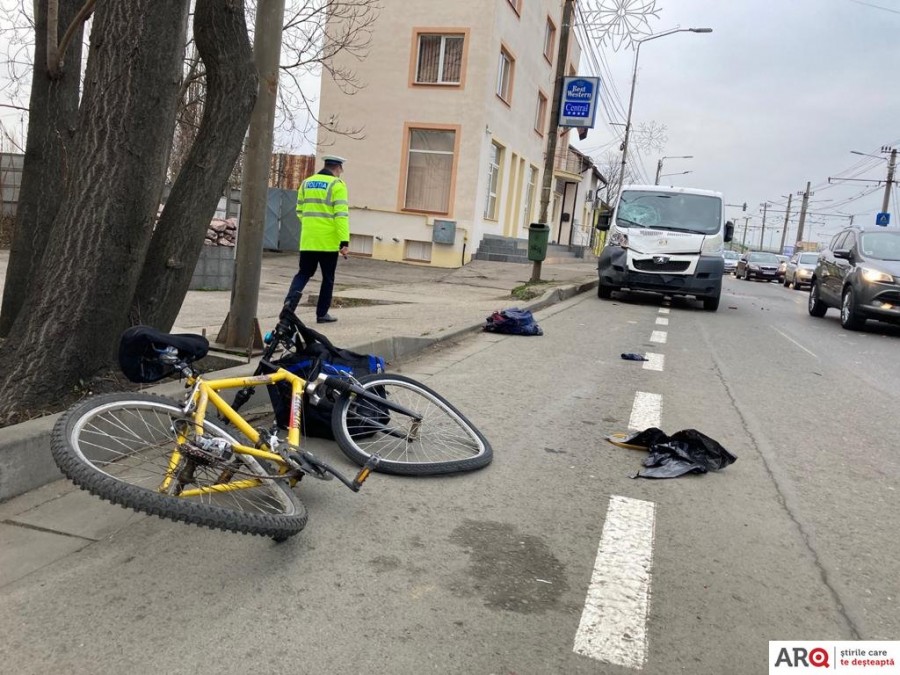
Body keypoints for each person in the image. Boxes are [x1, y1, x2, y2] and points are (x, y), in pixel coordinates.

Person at [283, 155, 350, 323]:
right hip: (327, 242)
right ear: (338, 168)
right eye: (341, 170)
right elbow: (341, 215)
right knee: (327, 278)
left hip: (308, 240)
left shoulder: (306, 183)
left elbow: (299, 210)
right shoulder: (337, 185)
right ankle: (322, 314)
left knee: (303, 274)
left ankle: (288, 307)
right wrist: (344, 241)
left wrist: (311, 226)